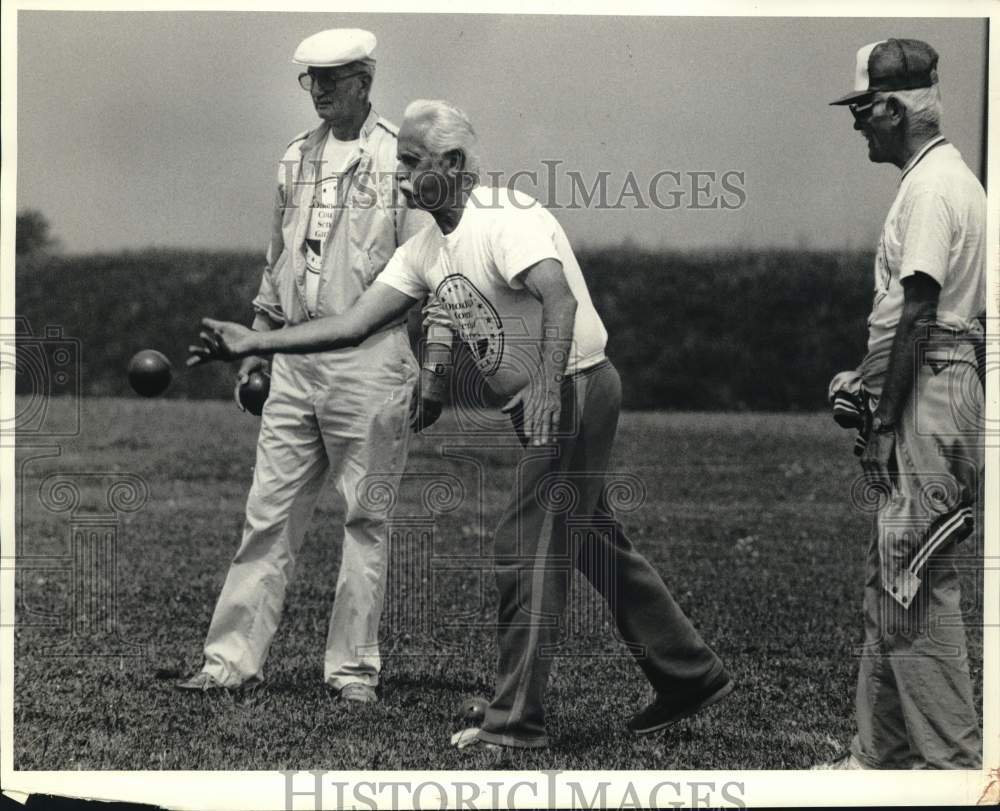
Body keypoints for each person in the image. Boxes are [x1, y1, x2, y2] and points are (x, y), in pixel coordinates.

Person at [188, 99, 732, 752]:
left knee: (525, 549)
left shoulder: (506, 217)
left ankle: (515, 724)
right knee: (589, 540)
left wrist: (544, 388)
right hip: (548, 397)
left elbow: (558, 298)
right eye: (400, 163)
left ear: (452, 163)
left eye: (413, 163)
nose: (401, 177)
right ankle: (687, 671)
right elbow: (355, 323)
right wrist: (256, 343)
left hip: (577, 387)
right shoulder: (426, 248)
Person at [178, 29, 444, 704]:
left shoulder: (400, 161)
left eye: (332, 78)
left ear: (365, 78)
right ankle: (228, 662)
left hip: (373, 364)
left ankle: (352, 671)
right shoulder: (296, 158)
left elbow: (431, 273)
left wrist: (434, 364)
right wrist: (259, 346)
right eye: (310, 80)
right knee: (266, 517)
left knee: (366, 520)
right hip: (294, 363)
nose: (320, 91)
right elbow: (277, 264)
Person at [819, 39, 985, 769]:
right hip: (937, 380)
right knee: (893, 578)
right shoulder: (949, 180)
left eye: (861, 109)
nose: (857, 124)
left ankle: (954, 768)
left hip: (931, 390)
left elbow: (921, 309)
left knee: (911, 583)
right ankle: (876, 759)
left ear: (890, 107)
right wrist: (867, 377)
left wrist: (884, 421)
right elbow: (922, 316)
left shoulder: (931, 189)